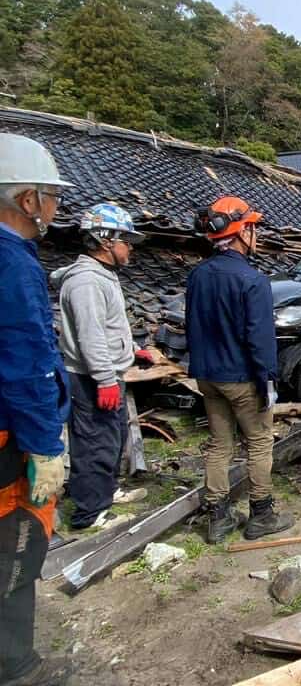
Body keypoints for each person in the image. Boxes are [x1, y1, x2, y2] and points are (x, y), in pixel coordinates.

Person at [0, 134, 72, 686]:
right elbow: (27, 368)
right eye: (51, 196)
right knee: (17, 543)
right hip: (10, 437)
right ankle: (16, 666)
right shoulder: (13, 264)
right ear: (28, 200)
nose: (54, 207)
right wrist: (46, 447)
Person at [186, 196, 292, 544]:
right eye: (253, 227)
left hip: (208, 376)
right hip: (243, 377)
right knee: (259, 442)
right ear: (242, 232)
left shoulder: (197, 276)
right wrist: (268, 380)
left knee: (220, 444)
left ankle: (217, 518)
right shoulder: (253, 280)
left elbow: (192, 327)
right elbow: (260, 339)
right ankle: (261, 514)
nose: (256, 234)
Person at [52, 204, 151, 530]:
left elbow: (109, 326)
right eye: (126, 240)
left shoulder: (103, 275)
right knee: (94, 442)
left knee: (112, 437)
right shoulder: (86, 282)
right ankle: (90, 512)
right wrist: (105, 379)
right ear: (106, 240)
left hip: (104, 374)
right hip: (90, 379)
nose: (130, 248)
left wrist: (133, 350)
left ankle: (106, 491)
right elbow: (90, 335)